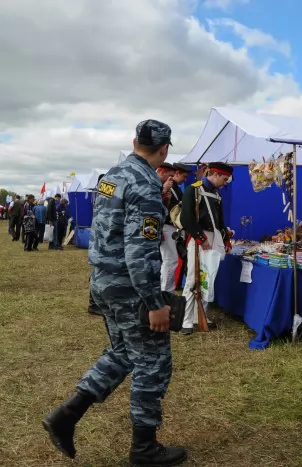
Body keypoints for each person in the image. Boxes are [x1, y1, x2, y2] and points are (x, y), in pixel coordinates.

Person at [42, 119, 187, 466]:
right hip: (130, 287)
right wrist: (154, 303)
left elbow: (107, 231)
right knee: (152, 363)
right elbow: (139, 250)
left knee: (122, 352)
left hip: (104, 280)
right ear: (165, 149)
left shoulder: (113, 175)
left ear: (134, 140)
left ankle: (66, 416)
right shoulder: (146, 184)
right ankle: (144, 448)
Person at [180, 162, 233, 334]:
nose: (225, 183)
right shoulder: (193, 190)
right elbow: (186, 218)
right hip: (198, 237)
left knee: (207, 279)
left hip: (213, 237)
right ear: (215, 174)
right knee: (192, 278)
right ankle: (186, 320)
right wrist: (201, 238)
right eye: (224, 179)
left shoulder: (217, 195)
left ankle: (200, 315)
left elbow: (220, 222)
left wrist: (225, 240)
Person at [160, 162, 192, 292]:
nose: (185, 179)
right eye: (183, 176)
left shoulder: (177, 188)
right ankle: (165, 291)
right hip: (167, 226)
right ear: (176, 173)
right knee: (170, 260)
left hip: (173, 228)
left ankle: (168, 290)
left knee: (171, 260)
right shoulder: (167, 186)